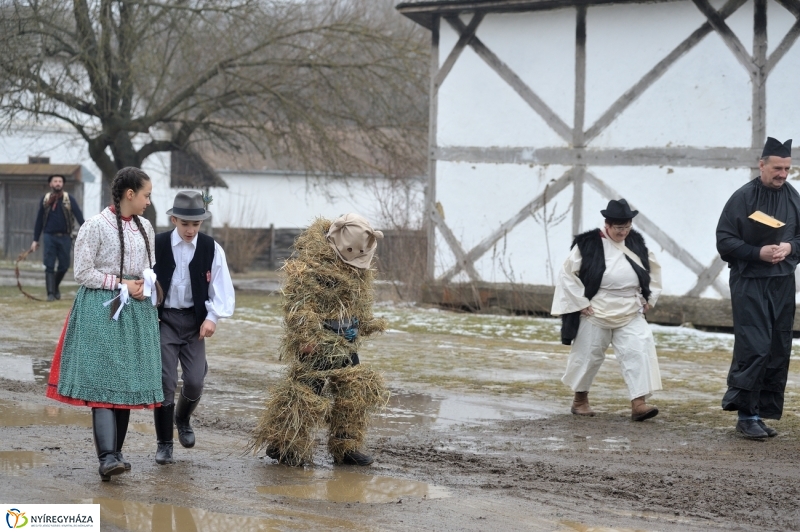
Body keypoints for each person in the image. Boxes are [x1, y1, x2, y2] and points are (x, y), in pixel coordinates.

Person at [45, 167, 163, 481]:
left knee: (123, 384)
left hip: (135, 312)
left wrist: (144, 287)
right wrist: (121, 282)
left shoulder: (146, 228)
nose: (149, 201)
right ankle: (107, 456)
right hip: (101, 310)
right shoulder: (95, 226)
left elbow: (149, 269)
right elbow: (82, 273)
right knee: (102, 385)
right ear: (130, 194)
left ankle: (117, 453)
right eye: (146, 195)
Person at [251, 213, 389, 466]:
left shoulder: (358, 271)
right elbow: (299, 306)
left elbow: (358, 301)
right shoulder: (312, 268)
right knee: (306, 393)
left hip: (345, 340)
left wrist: (363, 323)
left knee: (355, 389)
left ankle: (346, 446)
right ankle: (284, 445)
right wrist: (307, 337)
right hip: (317, 341)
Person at [716, 136, 799, 440]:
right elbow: (725, 240)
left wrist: (789, 247)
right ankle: (745, 414)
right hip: (749, 282)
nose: (783, 174)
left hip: (782, 283)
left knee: (777, 346)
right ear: (761, 165)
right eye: (777, 168)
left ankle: (760, 412)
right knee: (755, 346)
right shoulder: (743, 197)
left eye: (787, 168)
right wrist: (757, 253)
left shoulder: (793, 197)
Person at [551, 199, 663, 421]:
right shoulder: (588, 243)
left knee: (638, 350)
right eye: (619, 228)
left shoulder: (636, 242)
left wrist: (649, 296)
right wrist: (581, 303)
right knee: (588, 354)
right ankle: (579, 400)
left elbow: (653, 270)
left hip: (630, 307)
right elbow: (567, 274)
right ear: (608, 224)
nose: (623, 232)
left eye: (627, 227)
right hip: (596, 308)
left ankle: (639, 403)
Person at [151, 190, 235, 465]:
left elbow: (221, 289)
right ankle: (164, 444)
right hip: (164, 321)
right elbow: (144, 280)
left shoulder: (212, 248)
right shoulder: (158, 244)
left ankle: (182, 418)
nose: (190, 230)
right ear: (174, 220)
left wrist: (213, 317)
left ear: (202, 223)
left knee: (196, 380)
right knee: (165, 382)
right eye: (185, 223)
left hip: (195, 322)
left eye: (195, 224)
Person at [31, 174, 85, 301]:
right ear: (51, 184)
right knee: (49, 265)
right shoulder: (45, 200)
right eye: (55, 181)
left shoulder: (69, 199)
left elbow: (79, 216)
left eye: (60, 181)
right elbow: (39, 220)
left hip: (65, 237)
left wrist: (87, 232)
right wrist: (35, 239)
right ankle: (50, 293)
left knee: (64, 266)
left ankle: (54, 286)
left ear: (63, 184)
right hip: (49, 236)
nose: (58, 183)